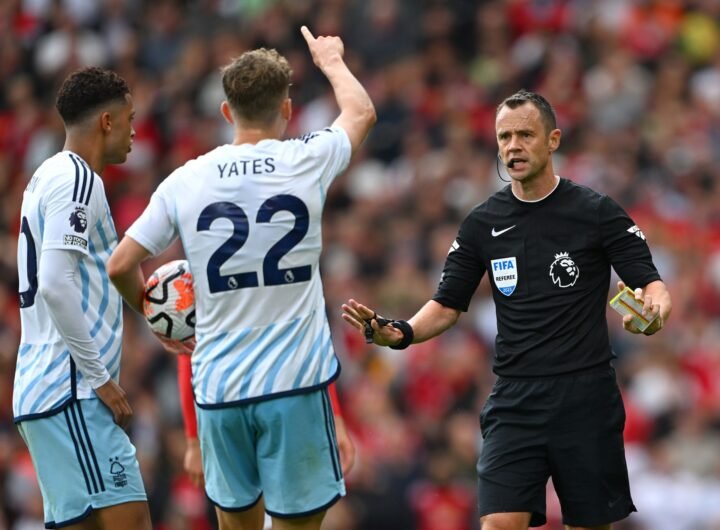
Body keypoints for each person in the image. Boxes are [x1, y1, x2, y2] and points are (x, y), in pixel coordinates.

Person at [341, 89, 672, 530]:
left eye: (524, 135)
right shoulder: (483, 223)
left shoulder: (596, 211)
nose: (513, 146)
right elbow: (447, 304)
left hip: (586, 397)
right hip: (516, 399)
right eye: (504, 137)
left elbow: (652, 284)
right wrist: (401, 332)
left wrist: (653, 312)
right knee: (498, 523)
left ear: (552, 140)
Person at [106, 26, 375, 530]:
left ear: (227, 112)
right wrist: (331, 60)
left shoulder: (185, 180)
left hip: (219, 391)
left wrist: (156, 320)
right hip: (295, 385)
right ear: (287, 110)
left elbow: (120, 264)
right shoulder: (307, 159)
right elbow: (360, 113)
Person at [13, 67, 152, 530]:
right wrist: (100, 378)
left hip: (45, 393)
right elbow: (54, 283)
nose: (134, 132)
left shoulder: (46, 175)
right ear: (107, 122)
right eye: (130, 119)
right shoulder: (78, 180)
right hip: (72, 392)